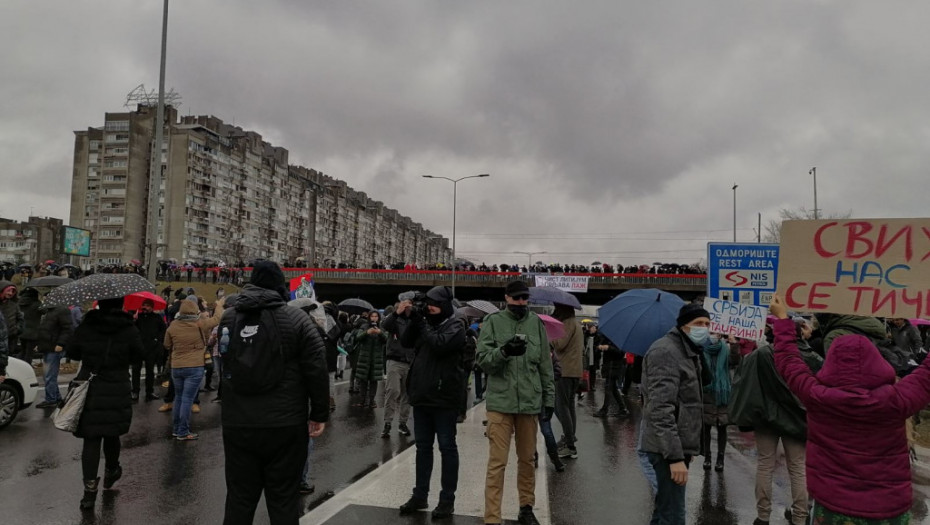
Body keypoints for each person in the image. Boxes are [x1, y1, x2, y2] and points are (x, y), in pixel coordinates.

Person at [771, 294, 930, 524]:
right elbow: (926, 375)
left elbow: (788, 362)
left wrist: (783, 319)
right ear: (878, 362)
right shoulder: (896, 400)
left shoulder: (817, 396)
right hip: (888, 509)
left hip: (833, 507)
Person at [220, 261, 329, 525]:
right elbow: (316, 368)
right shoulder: (298, 319)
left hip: (238, 421)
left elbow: (224, 362)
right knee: (283, 499)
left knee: (239, 497)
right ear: (279, 285)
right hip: (285, 422)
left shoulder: (230, 317)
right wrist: (319, 413)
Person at [475, 280, 555, 525]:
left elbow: (545, 363)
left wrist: (549, 398)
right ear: (507, 298)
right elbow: (482, 360)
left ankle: (526, 507)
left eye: (525, 298)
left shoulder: (536, 324)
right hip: (501, 403)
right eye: (517, 298)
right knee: (497, 463)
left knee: (527, 460)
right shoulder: (493, 322)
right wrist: (504, 352)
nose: (522, 303)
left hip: (529, 403)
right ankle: (492, 517)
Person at [66, 297, 143, 510]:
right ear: (121, 304)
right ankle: (111, 470)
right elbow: (138, 356)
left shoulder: (88, 325)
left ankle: (89, 492)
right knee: (112, 433)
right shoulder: (129, 328)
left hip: (91, 385)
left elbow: (72, 351)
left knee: (91, 439)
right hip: (117, 385)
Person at [396, 286, 466, 520]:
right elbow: (405, 341)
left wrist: (420, 321)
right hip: (422, 396)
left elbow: (439, 344)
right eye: (427, 304)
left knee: (447, 448)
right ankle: (420, 495)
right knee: (422, 448)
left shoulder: (456, 325)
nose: (429, 308)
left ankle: (447, 499)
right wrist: (406, 317)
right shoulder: (424, 322)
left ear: (445, 305)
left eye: (434, 304)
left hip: (444, 398)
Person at [639, 303, 707, 525]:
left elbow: (688, 403)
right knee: (674, 517)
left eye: (707, 324)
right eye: (698, 324)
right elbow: (660, 409)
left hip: (674, 446)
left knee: (665, 512)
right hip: (665, 449)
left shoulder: (688, 351)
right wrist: (675, 456)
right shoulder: (666, 352)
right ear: (683, 326)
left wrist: (688, 447)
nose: (704, 328)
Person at [163, 296, 224, 440]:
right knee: (187, 399)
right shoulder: (200, 324)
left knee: (178, 397)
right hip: (194, 365)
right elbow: (217, 319)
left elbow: (166, 345)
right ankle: (183, 431)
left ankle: (176, 428)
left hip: (177, 366)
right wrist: (219, 305)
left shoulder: (173, 325)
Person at [550, 303, 583, 459]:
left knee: (561, 407)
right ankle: (570, 437)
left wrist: (550, 336)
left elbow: (560, 345)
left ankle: (570, 445)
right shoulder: (575, 323)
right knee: (569, 407)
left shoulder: (568, 323)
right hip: (573, 371)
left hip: (565, 371)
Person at [700, 332, 734, 472]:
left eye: (716, 333)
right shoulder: (701, 349)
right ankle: (707, 457)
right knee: (706, 427)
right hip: (707, 392)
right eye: (712, 333)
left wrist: (734, 344)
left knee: (722, 426)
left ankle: (720, 458)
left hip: (722, 393)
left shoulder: (726, 348)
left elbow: (735, 362)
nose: (714, 336)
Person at [381, 296, 415, 437]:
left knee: (407, 394)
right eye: (404, 306)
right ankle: (387, 423)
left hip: (410, 361)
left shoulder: (414, 321)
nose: (407, 309)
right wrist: (396, 312)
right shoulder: (394, 320)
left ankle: (403, 423)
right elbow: (385, 325)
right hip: (395, 360)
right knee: (393, 391)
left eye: (409, 306)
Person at [35, 303, 75, 408]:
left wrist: (61, 343)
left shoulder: (62, 310)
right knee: (48, 375)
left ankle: (51, 399)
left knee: (49, 375)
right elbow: (45, 330)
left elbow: (68, 329)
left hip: (54, 347)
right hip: (48, 347)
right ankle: (56, 398)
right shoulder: (49, 311)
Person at [351, 310, 387, 409]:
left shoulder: (381, 327)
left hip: (376, 359)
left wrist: (380, 333)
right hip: (364, 358)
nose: (374, 318)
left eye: (376, 316)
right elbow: (357, 337)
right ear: (369, 317)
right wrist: (367, 332)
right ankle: (362, 401)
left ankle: (372, 401)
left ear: (378, 318)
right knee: (363, 380)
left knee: (373, 381)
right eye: (372, 316)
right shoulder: (364, 326)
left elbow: (386, 339)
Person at [133, 299, 166, 401]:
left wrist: (157, 340)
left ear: (151, 307)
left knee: (150, 371)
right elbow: (132, 330)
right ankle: (135, 391)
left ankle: (149, 391)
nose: (145, 307)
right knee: (135, 371)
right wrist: (134, 320)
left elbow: (163, 329)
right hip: (138, 347)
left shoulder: (157, 318)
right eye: (144, 305)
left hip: (151, 348)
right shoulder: (138, 317)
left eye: (147, 306)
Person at [593, 330, 629, 419]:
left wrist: (609, 347)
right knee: (613, 389)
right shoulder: (607, 337)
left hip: (614, 367)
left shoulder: (620, 339)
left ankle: (605, 410)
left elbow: (621, 353)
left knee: (608, 388)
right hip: (609, 366)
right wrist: (600, 346)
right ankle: (623, 409)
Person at [17, 287, 42, 362]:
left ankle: (18, 364)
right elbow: (45, 311)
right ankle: (26, 367)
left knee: (23, 350)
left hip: (22, 330)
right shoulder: (37, 304)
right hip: (33, 332)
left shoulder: (20, 303)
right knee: (29, 353)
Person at [0, 281, 21, 361]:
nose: (10, 293)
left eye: (12, 291)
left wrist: (17, 329)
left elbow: (20, 318)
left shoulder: (14, 305)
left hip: (11, 338)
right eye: (8, 290)